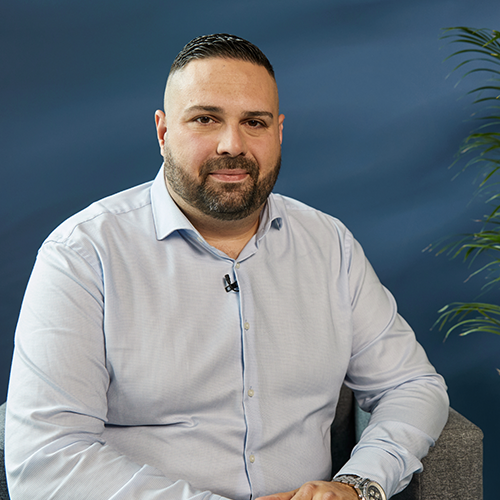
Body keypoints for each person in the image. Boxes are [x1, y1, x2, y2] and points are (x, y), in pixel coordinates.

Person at [5, 34, 449, 500]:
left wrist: (358, 484)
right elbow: (46, 460)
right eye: (205, 119)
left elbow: (411, 385)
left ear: (278, 133)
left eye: (254, 122)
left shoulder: (329, 245)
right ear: (163, 133)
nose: (232, 145)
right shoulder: (84, 254)